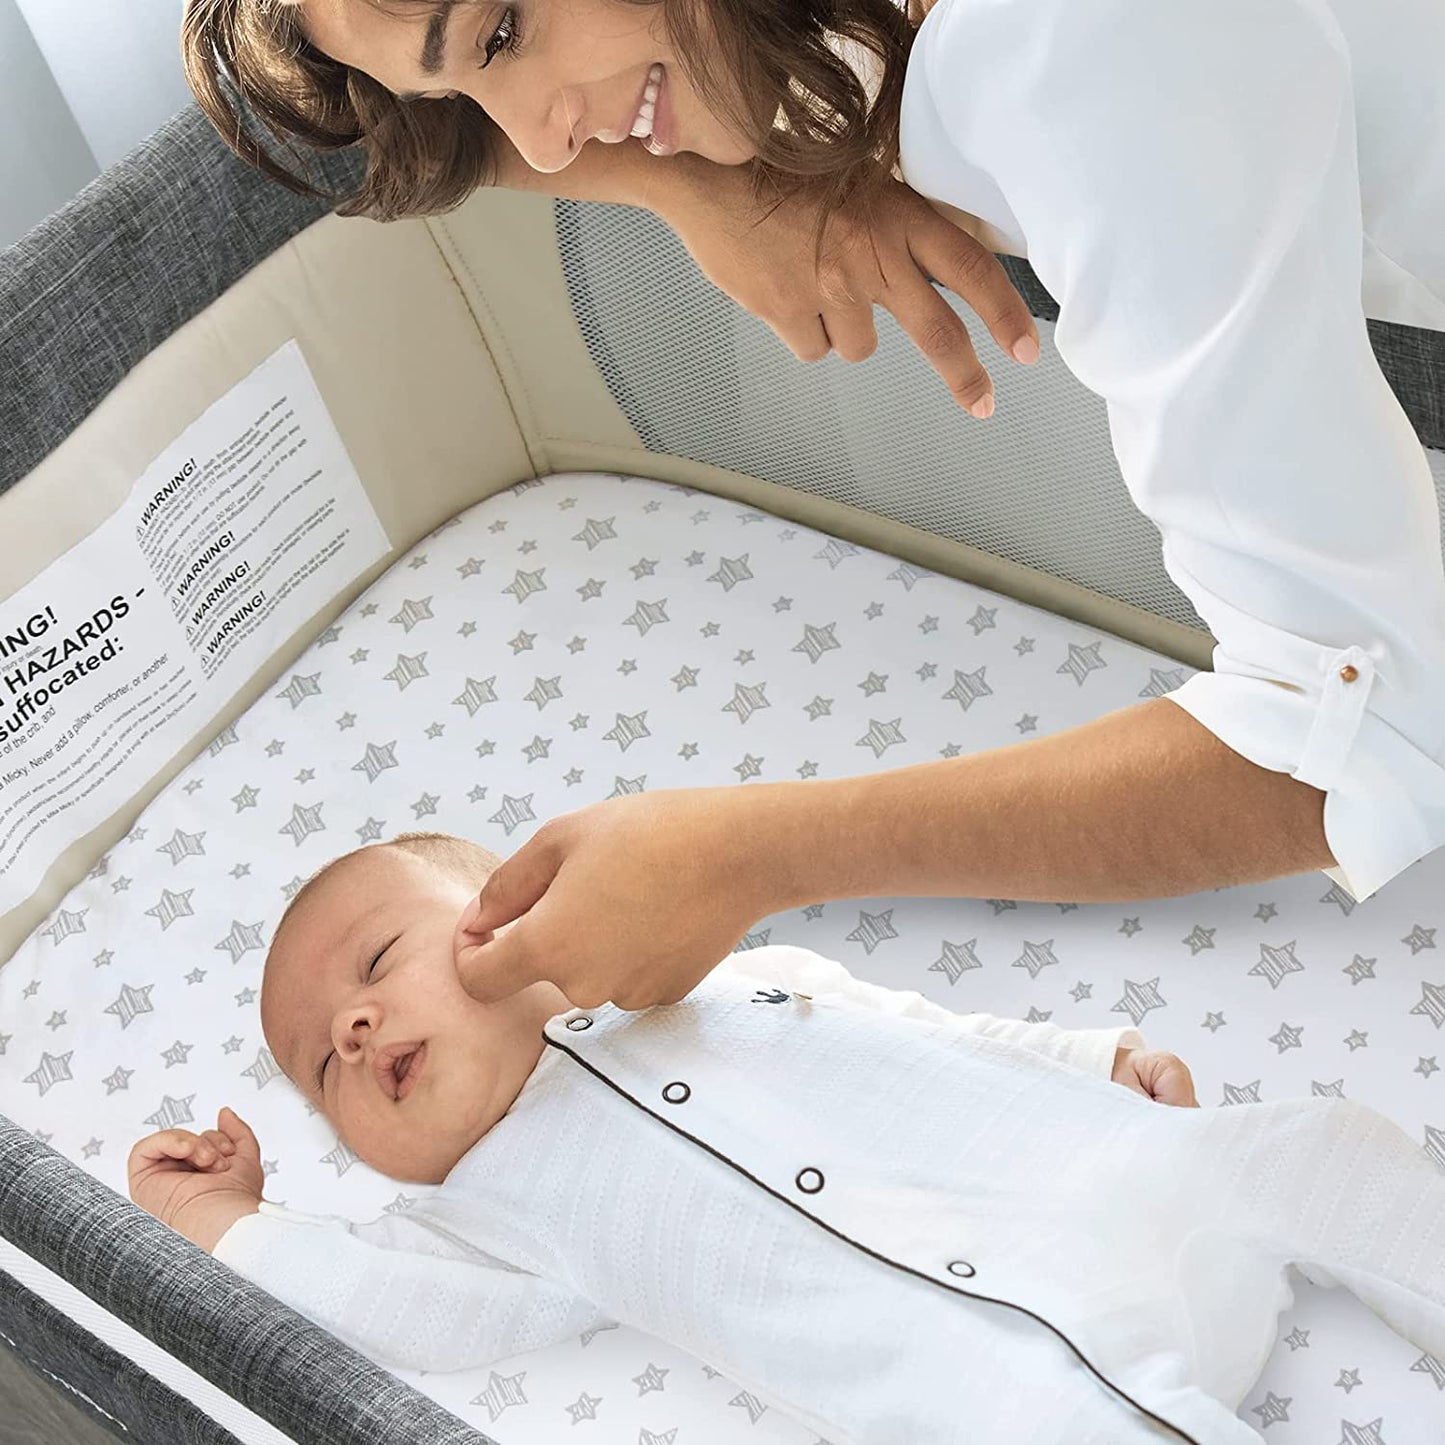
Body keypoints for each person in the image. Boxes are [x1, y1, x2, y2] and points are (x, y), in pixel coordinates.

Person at [179, 0, 1445, 1016]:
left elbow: (1359, 726)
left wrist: (743, 855)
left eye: (504, 32)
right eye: (460, 88)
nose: (551, 146)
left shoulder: (1088, 45)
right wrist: (697, 185)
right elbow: (351, 143)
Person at [128, 833, 1445, 1444]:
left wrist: (1087, 1058)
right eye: (319, 1067)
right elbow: (383, 1301)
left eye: (376, 960)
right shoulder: (483, 1208)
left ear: (515, 915)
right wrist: (224, 1222)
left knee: (1320, 1149)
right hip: (993, 1385)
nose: (351, 1027)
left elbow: (928, 1028)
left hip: (1110, 1180)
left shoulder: (723, 979)